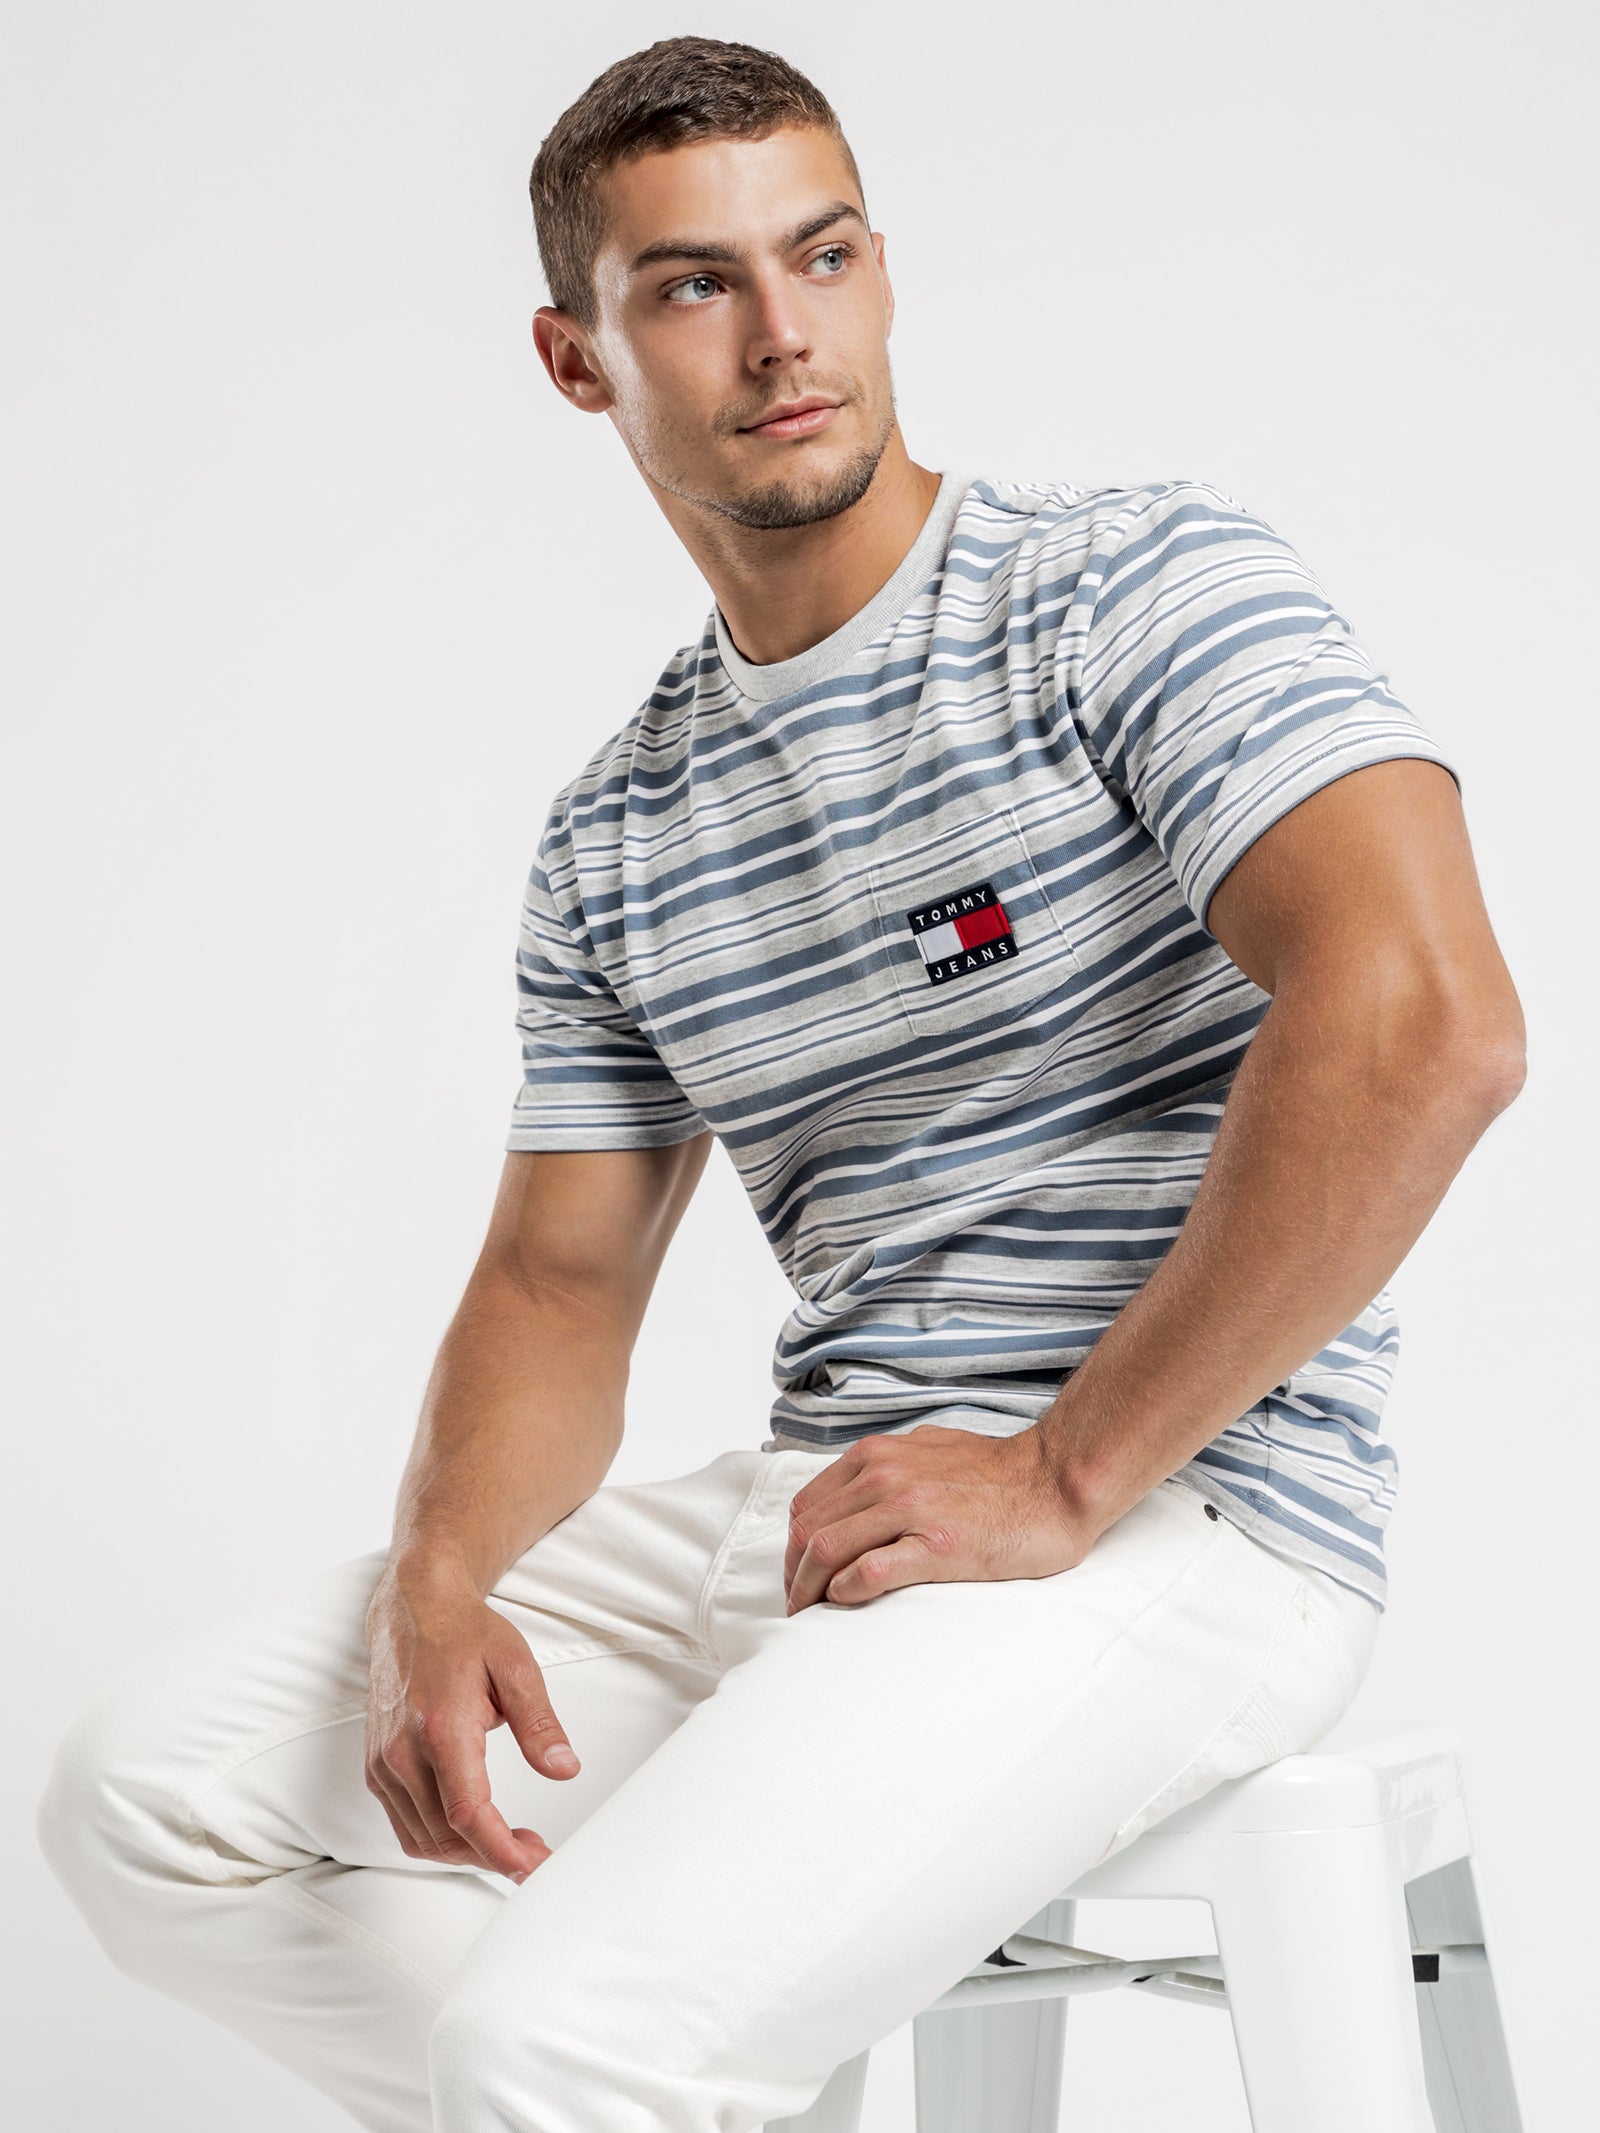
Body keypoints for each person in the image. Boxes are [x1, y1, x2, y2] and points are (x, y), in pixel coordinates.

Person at [36, 33, 1526, 2133]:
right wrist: (438, 1587)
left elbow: (1422, 1019)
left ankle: (600, 2075)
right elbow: (555, 1284)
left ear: (882, 270)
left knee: (553, 2043)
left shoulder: (1122, 590)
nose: (780, 333)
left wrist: (1064, 1469)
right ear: (577, 360)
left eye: (820, 256)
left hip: (1177, 1507)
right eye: (691, 285)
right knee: (149, 1794)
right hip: (837, 1497)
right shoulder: (619, 825)